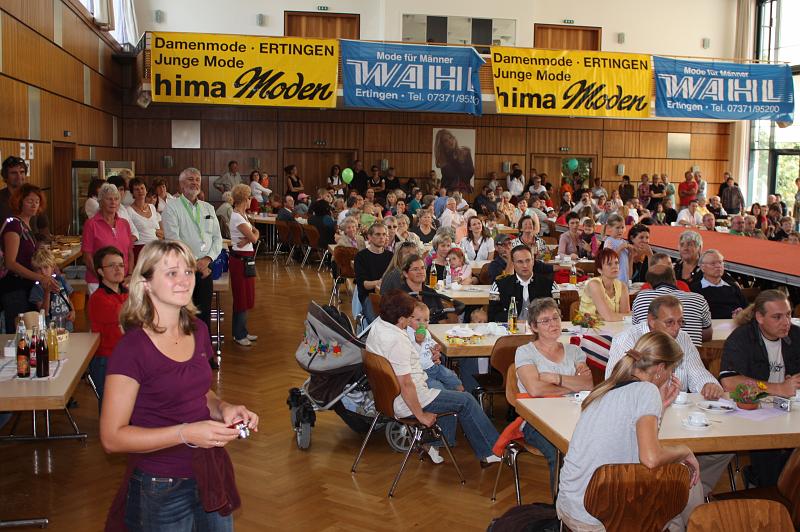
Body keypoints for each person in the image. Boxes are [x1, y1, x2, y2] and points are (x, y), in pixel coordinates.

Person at [100, 240, 258, 530]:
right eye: (172, 273)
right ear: (145, 283)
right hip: (161, 483)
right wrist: (186, 433)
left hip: (209, 471)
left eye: (188, 271)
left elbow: (199, 393)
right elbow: (112, 438)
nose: (185, 280)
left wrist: (224, 408)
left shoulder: (197, 329)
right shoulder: (133, 348)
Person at [558, 330, 703, 531]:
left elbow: (635, 444)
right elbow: (650, 458)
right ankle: (700, 525)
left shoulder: (608, 387)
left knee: (673, 488)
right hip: (598, 515)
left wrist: (659, 407)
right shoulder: (646, 390)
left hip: (572, 504)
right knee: (684, 477)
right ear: (661, 368)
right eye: (672, 369)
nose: (672, 375)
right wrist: (685, 450)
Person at [366, 290, 499, 465]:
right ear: (400, 319)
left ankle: (435, 444)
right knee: (466, 400)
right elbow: (406, 384)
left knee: (452, 389)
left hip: (388, 396)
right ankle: (492, 450)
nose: (410, 321)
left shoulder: (378, 326)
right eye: (408, 317)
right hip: (410, 398)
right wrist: (420, 415)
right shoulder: (397, 340)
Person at [720, 289, 800, 487]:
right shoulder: (741, 339)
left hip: (792, 411)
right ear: (759, 317)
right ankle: (766, 490)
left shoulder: (796, 336)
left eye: (789, 314)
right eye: (777, 317)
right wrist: (777, 388)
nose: (786, 322)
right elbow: (729, 382)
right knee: (771, 456)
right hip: (754, 414)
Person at [516, 298, 593, 482]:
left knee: (594, 447)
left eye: (556, 318)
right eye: (545, 321)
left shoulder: (574, 351)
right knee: (560, 452)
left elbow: (588, 385)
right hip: (537, 420)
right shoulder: (525, 352)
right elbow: (534, 389)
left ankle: (584, 503)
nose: (553, 324)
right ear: (534, 327)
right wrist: (570, 384)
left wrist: (554, 378)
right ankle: (560, 508)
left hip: (574, 416)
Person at [162, 168, 223, 368]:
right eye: (189, 179)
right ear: (181, 185)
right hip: (181, 272)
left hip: (205, 270)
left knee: (203, 315)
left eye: (197, 179)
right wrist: (195, 265)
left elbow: (217, 239)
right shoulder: (172, 207)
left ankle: (205, 355)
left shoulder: (208, 208)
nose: (194, 183)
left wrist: (207, 260)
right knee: (183, 315)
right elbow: (173, 240)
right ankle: (183, 356)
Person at [87, 246, 128, 405]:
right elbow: (130, 314)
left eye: (120, 265)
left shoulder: (127, 293)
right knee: (111, 406)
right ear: (100, 272)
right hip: (107, 360)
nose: (118, 269)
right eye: (111, 265)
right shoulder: (98, 298)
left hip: (129, 356)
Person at [632, 264, 712, 345]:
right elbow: (707, 335)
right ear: (674, 280)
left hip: (653, 353)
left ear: (648, 285)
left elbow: (637, 333)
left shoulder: (641, 298)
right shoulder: (698, 299)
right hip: (692, 353)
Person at [82, 183, 134, 296]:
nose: (113, 202)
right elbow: (87, 256)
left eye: (116, 199)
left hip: (122, 281)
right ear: (100, 202)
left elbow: (129, 252)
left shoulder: (124, 224)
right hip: (98, 282)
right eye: (109, 199)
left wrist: (129, 275)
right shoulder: (91, 224)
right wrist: (103, 279)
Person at [408, 302, 464, 391]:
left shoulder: (426, 332)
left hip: (433, 366)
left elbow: (430, 341)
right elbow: (411, 354)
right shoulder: (408, 333)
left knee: (452, 378)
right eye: (418, 320)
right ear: (409, 320)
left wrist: (436, 346)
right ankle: (447, 397)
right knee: (438, 388)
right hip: (422, 372)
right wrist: (418, 341)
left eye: (426, 320)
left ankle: (460, 393)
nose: (422, 324)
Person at [228, 184, 259, 347]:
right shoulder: (237, 218)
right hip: (239, 260)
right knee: (241, 296)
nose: (250, 200)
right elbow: (255, 238)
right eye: (249, 197)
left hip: (246, 258)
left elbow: (256, 233)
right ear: (243, 199)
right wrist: (251, 237)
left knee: (246, 295)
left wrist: (248, 238)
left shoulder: (243, 215)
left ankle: (243, 331)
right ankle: (239, 334)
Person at [488, 246, 553, 322]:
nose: (525, 265)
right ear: (513, 263)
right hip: (509, 330)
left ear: (533, 261)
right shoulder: (499, 285)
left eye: (528, 261)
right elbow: (493, 316)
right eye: (520, 262)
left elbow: (555, 314)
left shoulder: (549, 284)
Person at [0, 156, 50, 240]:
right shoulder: (1, 198)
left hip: (34, 247)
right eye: (13, 173)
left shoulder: (34, 196)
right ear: (5, 176)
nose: (19, 176)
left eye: (22, 172)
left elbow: (43, 227)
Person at [690, 249, 747, 319]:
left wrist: (742, 313)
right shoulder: (695, 289)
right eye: (713, 263)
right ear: (702, 268)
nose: (718, 266)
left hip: (736, 325)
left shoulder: (733, 286)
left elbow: (746, 309)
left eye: (720, 262)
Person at [354, 222, 393, 322]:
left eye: (384, 234)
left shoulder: (390, 256)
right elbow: (364, 284)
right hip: (369, 296)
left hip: (389, 296)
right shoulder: (361, 257)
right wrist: (380, 282)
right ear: (369, 237)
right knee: (378, 322)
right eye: (378, 234)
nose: (382, 237)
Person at [578, 248, 630, 322]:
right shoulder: (594, 284)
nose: (614, 266)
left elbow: (626, 317)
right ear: (600, 270)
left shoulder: (622, 286)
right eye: (609, 264)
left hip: (613, 329)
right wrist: (614, 316)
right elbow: (609, 317)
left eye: (616, 263)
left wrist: (608, 316)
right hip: (588, 329)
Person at [29, 248, 74, 331]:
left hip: (67, 326)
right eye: (39, 269)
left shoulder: (60, 281)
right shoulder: (37, 289)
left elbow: (67, 298)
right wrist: (47, 292)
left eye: (46, 267)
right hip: (50, 330)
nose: (42, 272)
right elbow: (43, 312)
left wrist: (72, 310)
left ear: (52, 268)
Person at [128, 177, 164, 262]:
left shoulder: (152, 207)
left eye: (142, 188)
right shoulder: (129, 210)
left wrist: (154, 232)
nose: (140, 191)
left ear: (146, 190)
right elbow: (129, 234)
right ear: (132, 193)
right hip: (140, 249)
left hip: (156, 247)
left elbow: (162, 233)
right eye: (136, 189)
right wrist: (153, 231)